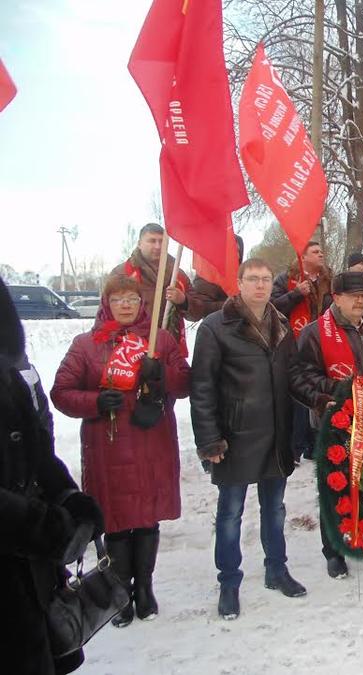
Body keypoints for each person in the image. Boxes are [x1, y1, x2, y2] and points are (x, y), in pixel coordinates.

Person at [51, 274, 190, 627]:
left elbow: (186, 383)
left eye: (132, 298)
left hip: (151, 442)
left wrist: (161, 376)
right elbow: (61, 393)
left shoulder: (160, 339)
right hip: (107, 447)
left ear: (142, 303)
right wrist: (95, 401)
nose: (126, 305)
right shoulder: (87, 345)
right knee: (115, 521)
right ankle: (120, 591)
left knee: (146, 518)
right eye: (118, 299)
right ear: (106, 304)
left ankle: (145, 588)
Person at [190, 258, 306, 621]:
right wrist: (209, 440)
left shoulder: (283, 325)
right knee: (231, 513)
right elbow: (202, 388)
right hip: (236, 436)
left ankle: (277, 569)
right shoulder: (215, 327)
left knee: (275, 509)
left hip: (276, 433)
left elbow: (295, 376)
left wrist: (322, 396)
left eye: (266, 278)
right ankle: (229, 582)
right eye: (252, 279)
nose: (260, 285)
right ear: (238, 283)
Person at [2, 278, 105, 675]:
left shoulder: (10, 377)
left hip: (29, 579)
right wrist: (43, 526)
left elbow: (36, 450)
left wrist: (68, 497)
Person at [293, 271, 363, 578]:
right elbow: (301, 378)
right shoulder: (314, 333)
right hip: (335, 423)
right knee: (336, 489)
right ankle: (334, 550)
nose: (360, 302)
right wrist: (336, 393)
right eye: (353, 297)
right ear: (336, 298)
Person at [272, 241, 332, 463]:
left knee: (318, 391)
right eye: (316, 252)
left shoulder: (328, 280)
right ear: (303, 257)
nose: (321, 254)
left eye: (321, 251)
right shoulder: (284, 280)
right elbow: (273, 308)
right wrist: (295, 294)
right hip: (293, 343)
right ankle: (297, 445)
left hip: (321, 343)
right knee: (299, 396)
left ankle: (316, 443)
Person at [111, 222, 204, 356]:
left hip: (169, 351)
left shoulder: (178, 275)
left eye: (162, 241)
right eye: (152, 241)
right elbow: (106, 314)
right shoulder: (122, 273)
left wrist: (184, 301)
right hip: (130, 352)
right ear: (139, 243)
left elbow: (197, 312)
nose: (157, 246)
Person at [193, 235, 244, 318]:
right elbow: (202, 308)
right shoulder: (206, 276)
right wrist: (234, 306)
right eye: (234, 251)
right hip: (218, 327)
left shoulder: (244, 276)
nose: (237, 256)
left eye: (239, 251)